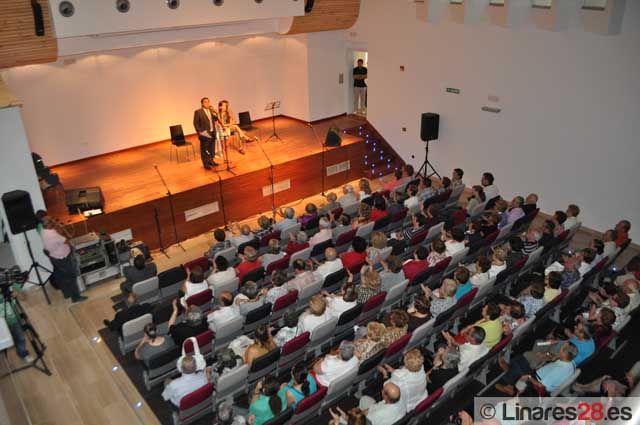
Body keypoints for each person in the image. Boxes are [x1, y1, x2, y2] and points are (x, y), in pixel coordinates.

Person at [495, 342, 578, 395]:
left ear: (564, 353)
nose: (560, 348)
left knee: (517, 366)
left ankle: (511, 387)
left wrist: (529, 377)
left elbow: (541, 386)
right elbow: (557, 357)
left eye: (561, 348)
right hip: (538, 374)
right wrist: (550, 355)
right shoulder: (570, 361)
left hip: (535, 383)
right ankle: (510, 379)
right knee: (520, 359)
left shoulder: (559, 370)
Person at [40, 217, 86, 302]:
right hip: (62, 258)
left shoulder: (43, 231)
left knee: (62, 277)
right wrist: (58, 226)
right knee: (72, 276)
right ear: (49, 224)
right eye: (52, 221)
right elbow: (66, 240)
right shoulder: (53, 235)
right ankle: (76, 297)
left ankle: (67, 294)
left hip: (54, 257)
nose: (54, 221)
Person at [0, 282, 34, 363]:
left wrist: (18, 292)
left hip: (13, 318)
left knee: (20, 338)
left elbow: (24, 297)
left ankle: (23, 354)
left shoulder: (7, 279)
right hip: (1, 323)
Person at [193, 97, 219, 169]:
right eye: (205, 102)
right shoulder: (198, 112)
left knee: (212, 148)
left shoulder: (211, 110)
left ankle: (211, 161)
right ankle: (206, 164)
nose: (207, 103)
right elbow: (196, 123)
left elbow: (216, 119)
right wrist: (201, 133)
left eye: (208, 102)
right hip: (204, 133)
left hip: (212, 132)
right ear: (202, 103)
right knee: (204, 149)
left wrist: (215, 113)